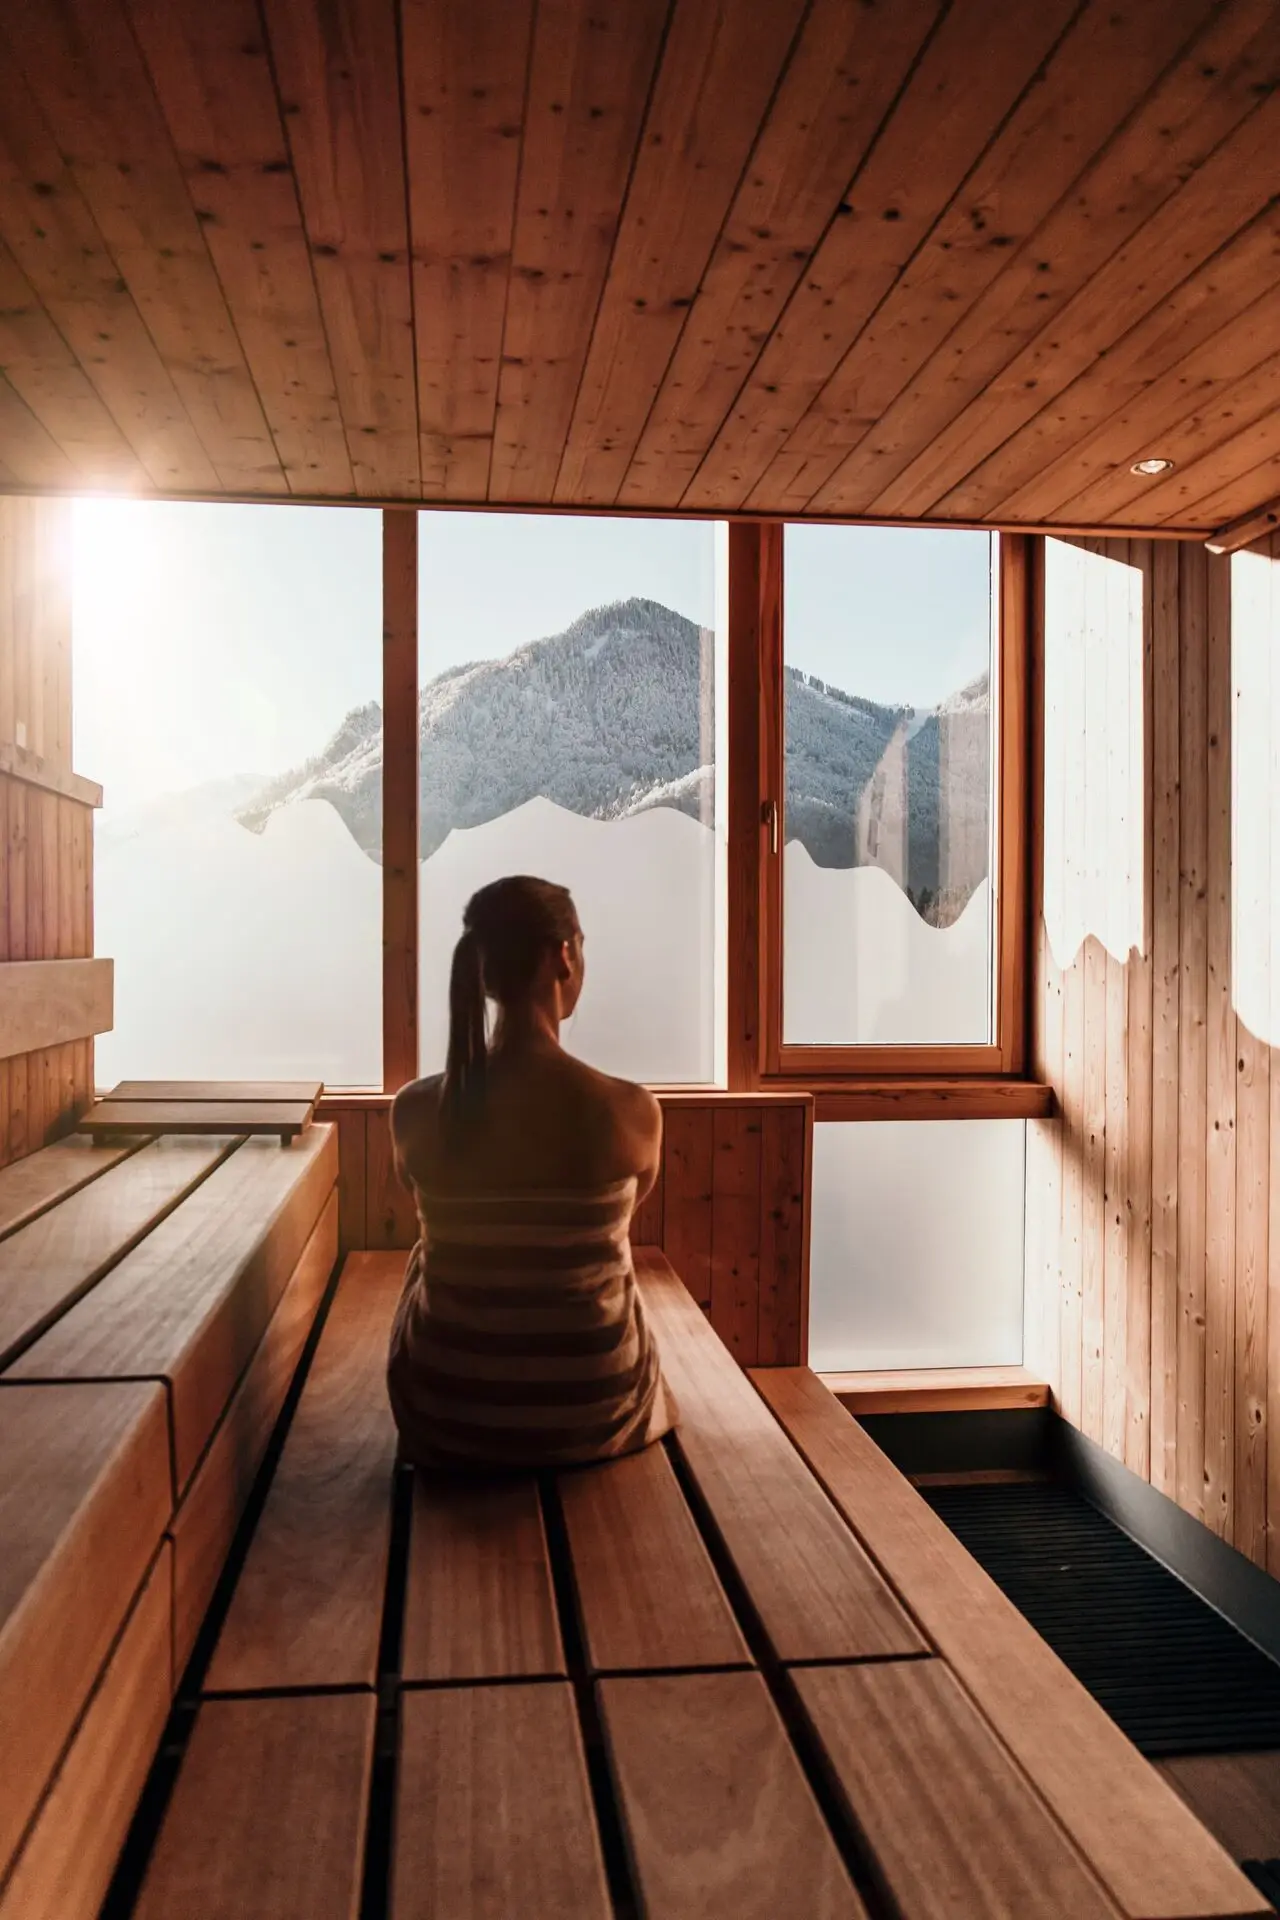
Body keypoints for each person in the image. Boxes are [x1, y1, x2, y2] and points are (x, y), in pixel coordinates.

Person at [386, 874, 676, 1471]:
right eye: (582, 945)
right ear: (563, 956)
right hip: (597, 1407)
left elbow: (410, 1190)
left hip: (445, 1409)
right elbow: (622, 1224)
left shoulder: (416, 1111)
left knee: (427, 1254)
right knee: (608, 1264)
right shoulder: (629, 1111)